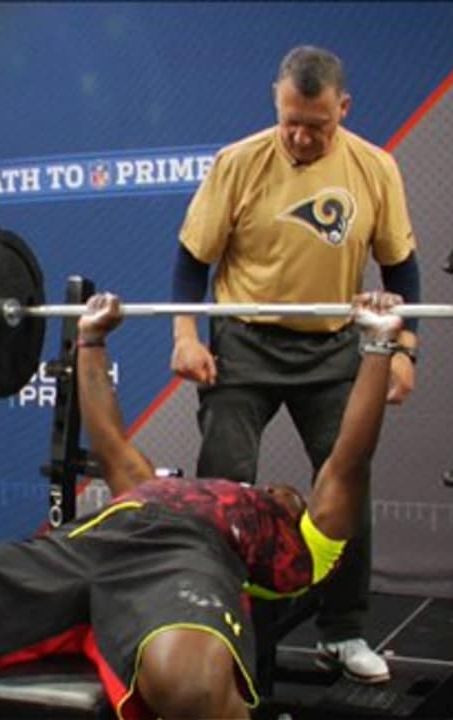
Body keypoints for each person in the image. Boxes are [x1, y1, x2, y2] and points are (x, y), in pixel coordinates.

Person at [0, 291, 402, 719]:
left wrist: (377, 346)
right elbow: (108, 438)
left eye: (290, 493)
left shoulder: (301, 541)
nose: (281, 488)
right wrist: (90, 337)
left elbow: (348, 458)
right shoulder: (153, 487)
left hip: (186, 563)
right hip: (88, 543)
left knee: (192, 687)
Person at [169, 45, 422, 683]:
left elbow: (401, 267)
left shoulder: (374, 167)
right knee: (223, 485)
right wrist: (185, 335)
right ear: (277, 105)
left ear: (343, 109)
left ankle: (343, 632)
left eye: (318, 124)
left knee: (347, 484)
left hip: (334, 346)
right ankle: (217, 626)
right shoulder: (239, 163)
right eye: (291, 123)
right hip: (245, 344)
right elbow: (192, 259)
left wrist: (404, 351)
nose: (303, 137)